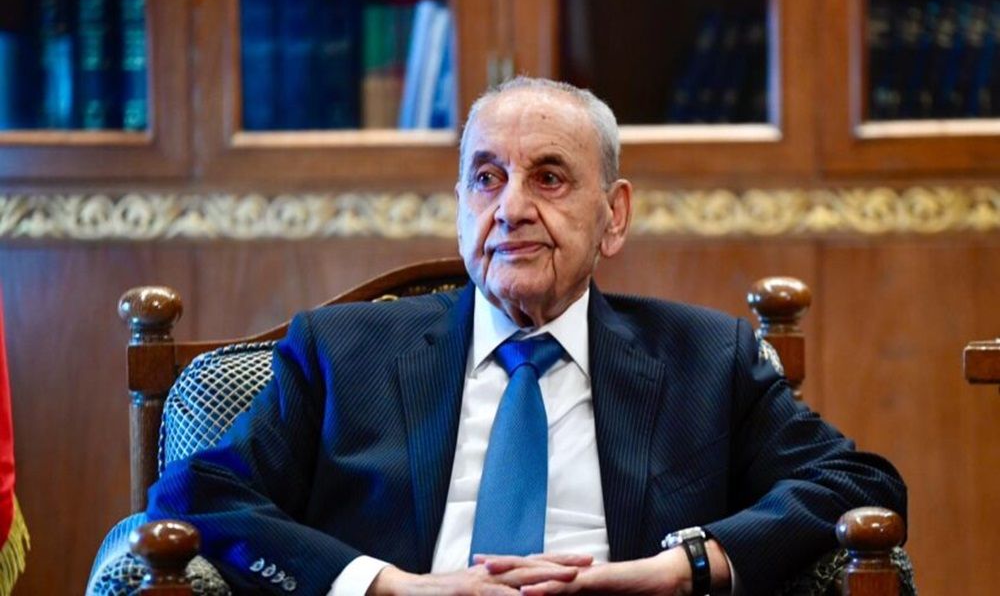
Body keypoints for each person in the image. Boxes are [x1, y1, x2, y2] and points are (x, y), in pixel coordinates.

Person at [148, 77, 906, 595]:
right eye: (486, 178)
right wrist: (390, 587)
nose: (509, 209)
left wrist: (681, 568)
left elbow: (859, 483)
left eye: (548, 178)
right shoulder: (343, 353)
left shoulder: (706, 360)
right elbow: (196, 493)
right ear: (460, 206)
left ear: (614, 215)